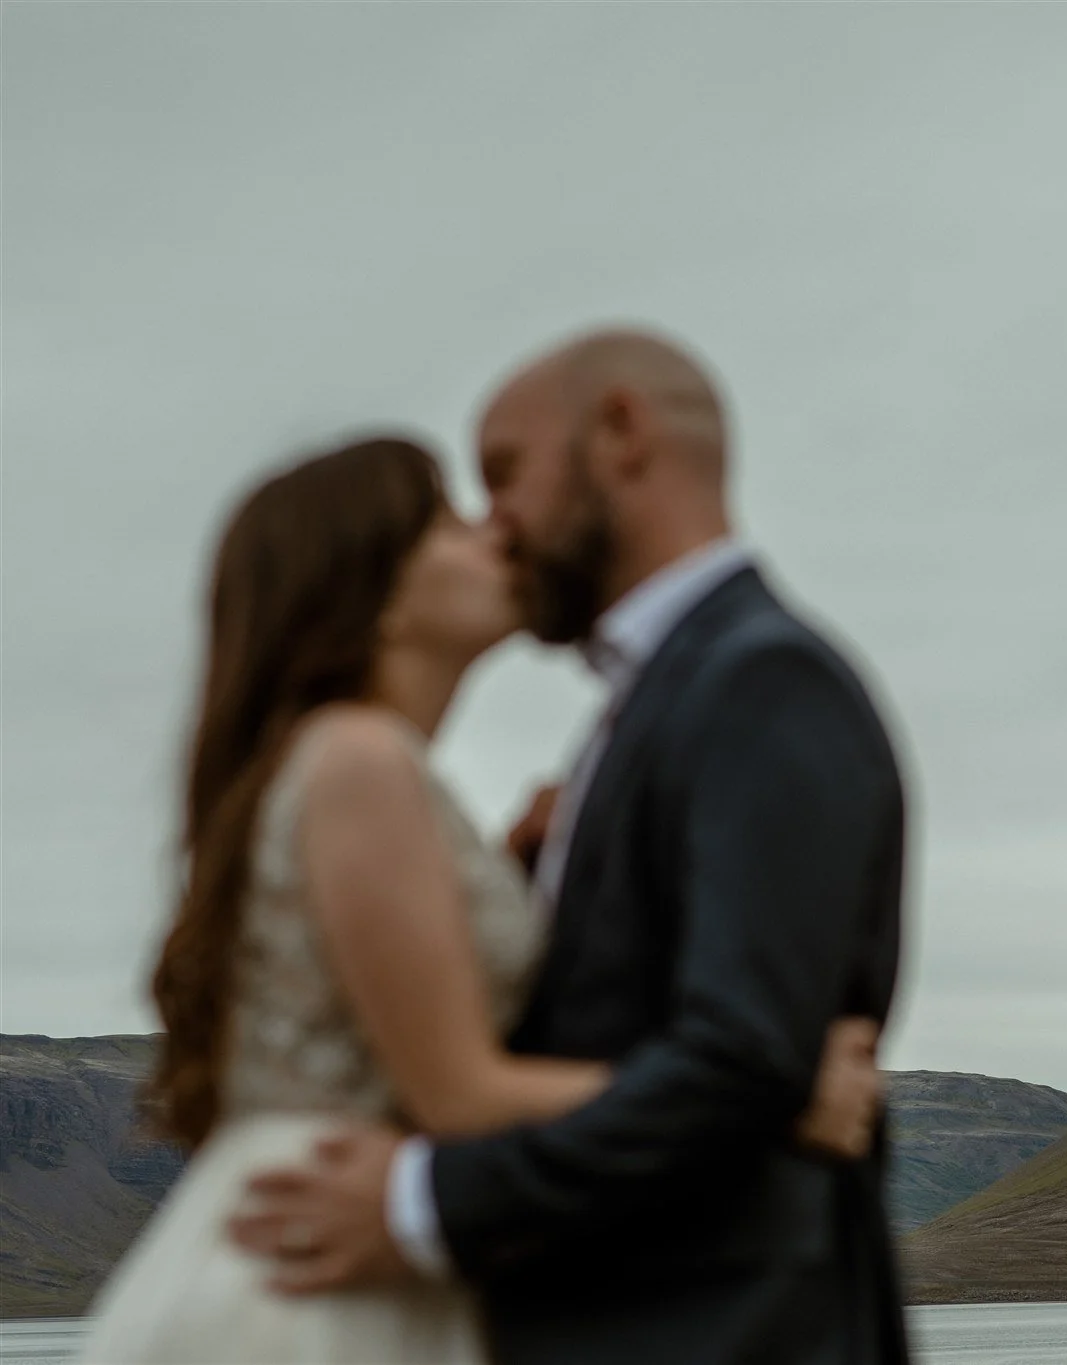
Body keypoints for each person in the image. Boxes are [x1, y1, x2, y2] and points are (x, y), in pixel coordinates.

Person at [226, 329, 913, 1364]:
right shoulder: (652, 706)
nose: (494, 523)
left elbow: (738, 1055)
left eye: (503, 473)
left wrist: (421, 1203)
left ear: (621, 434)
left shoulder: (763, 682)